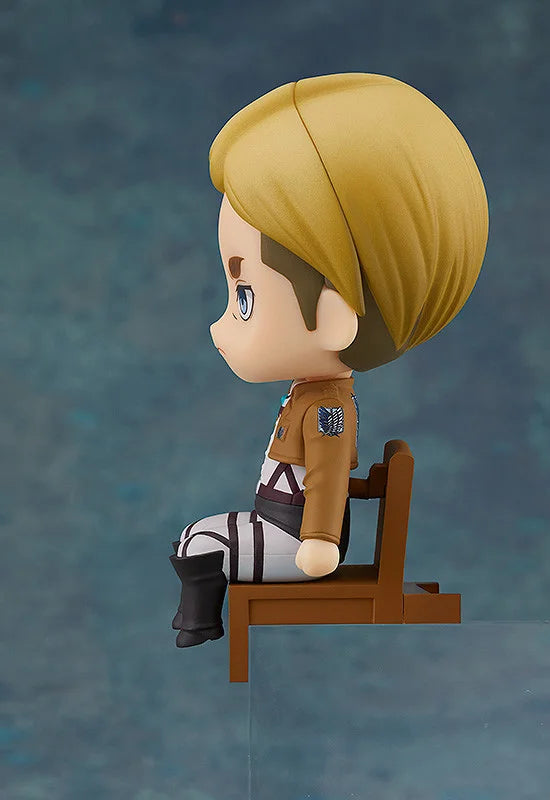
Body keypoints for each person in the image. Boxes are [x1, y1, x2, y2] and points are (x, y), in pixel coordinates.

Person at [170, 73, 489, 648]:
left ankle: (199, 625)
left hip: (296, 540)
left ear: (335, 317)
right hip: (279, 526)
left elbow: (328, 472)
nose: (223, 324)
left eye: (245, 297)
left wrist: (319, 541)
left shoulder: (327, 411)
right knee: (198, 537)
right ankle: (198, 620)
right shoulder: (313, 395)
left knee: (201, 542)